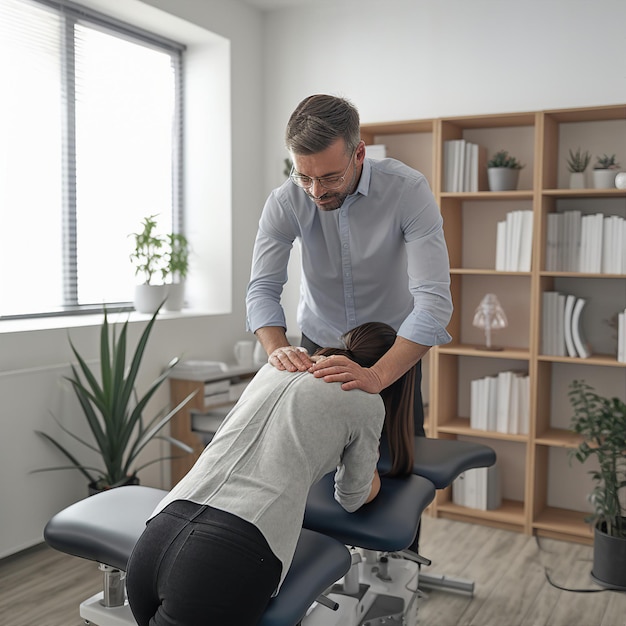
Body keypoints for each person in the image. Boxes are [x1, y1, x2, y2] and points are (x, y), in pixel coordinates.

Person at [125, 322, 414, 626]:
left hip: (156, 538)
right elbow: (353, 497)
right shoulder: (367, 400)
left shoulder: (279, 365)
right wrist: (370, 466)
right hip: (223, 558)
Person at [246, 93, 452, 437]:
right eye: (304, 177)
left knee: (399, 468)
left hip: (392, 353)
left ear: (359, 154)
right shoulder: (285, 200)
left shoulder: (408, 190)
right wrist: (278, 350)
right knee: (315, 474)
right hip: (318, 349)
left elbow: (433, 301)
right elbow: (262, 289)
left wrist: (377, 375)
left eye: (329, 177)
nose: (315, 192)